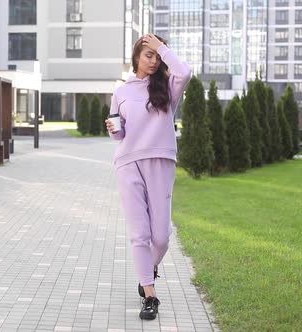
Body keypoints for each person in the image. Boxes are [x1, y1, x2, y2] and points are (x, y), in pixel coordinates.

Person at [105, 33, 191, 320]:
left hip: (161, 163)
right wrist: (114, 129)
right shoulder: (121, 92)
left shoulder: (168, 86)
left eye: (156, 55)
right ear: (136, 58)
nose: (153, 61)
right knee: (140, 234)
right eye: (148, 55)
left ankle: (148, 269)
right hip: (129, 163)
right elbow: (121, 133)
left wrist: (161, 47)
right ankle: (150, 294)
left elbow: (185, 71)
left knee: (161, 237)